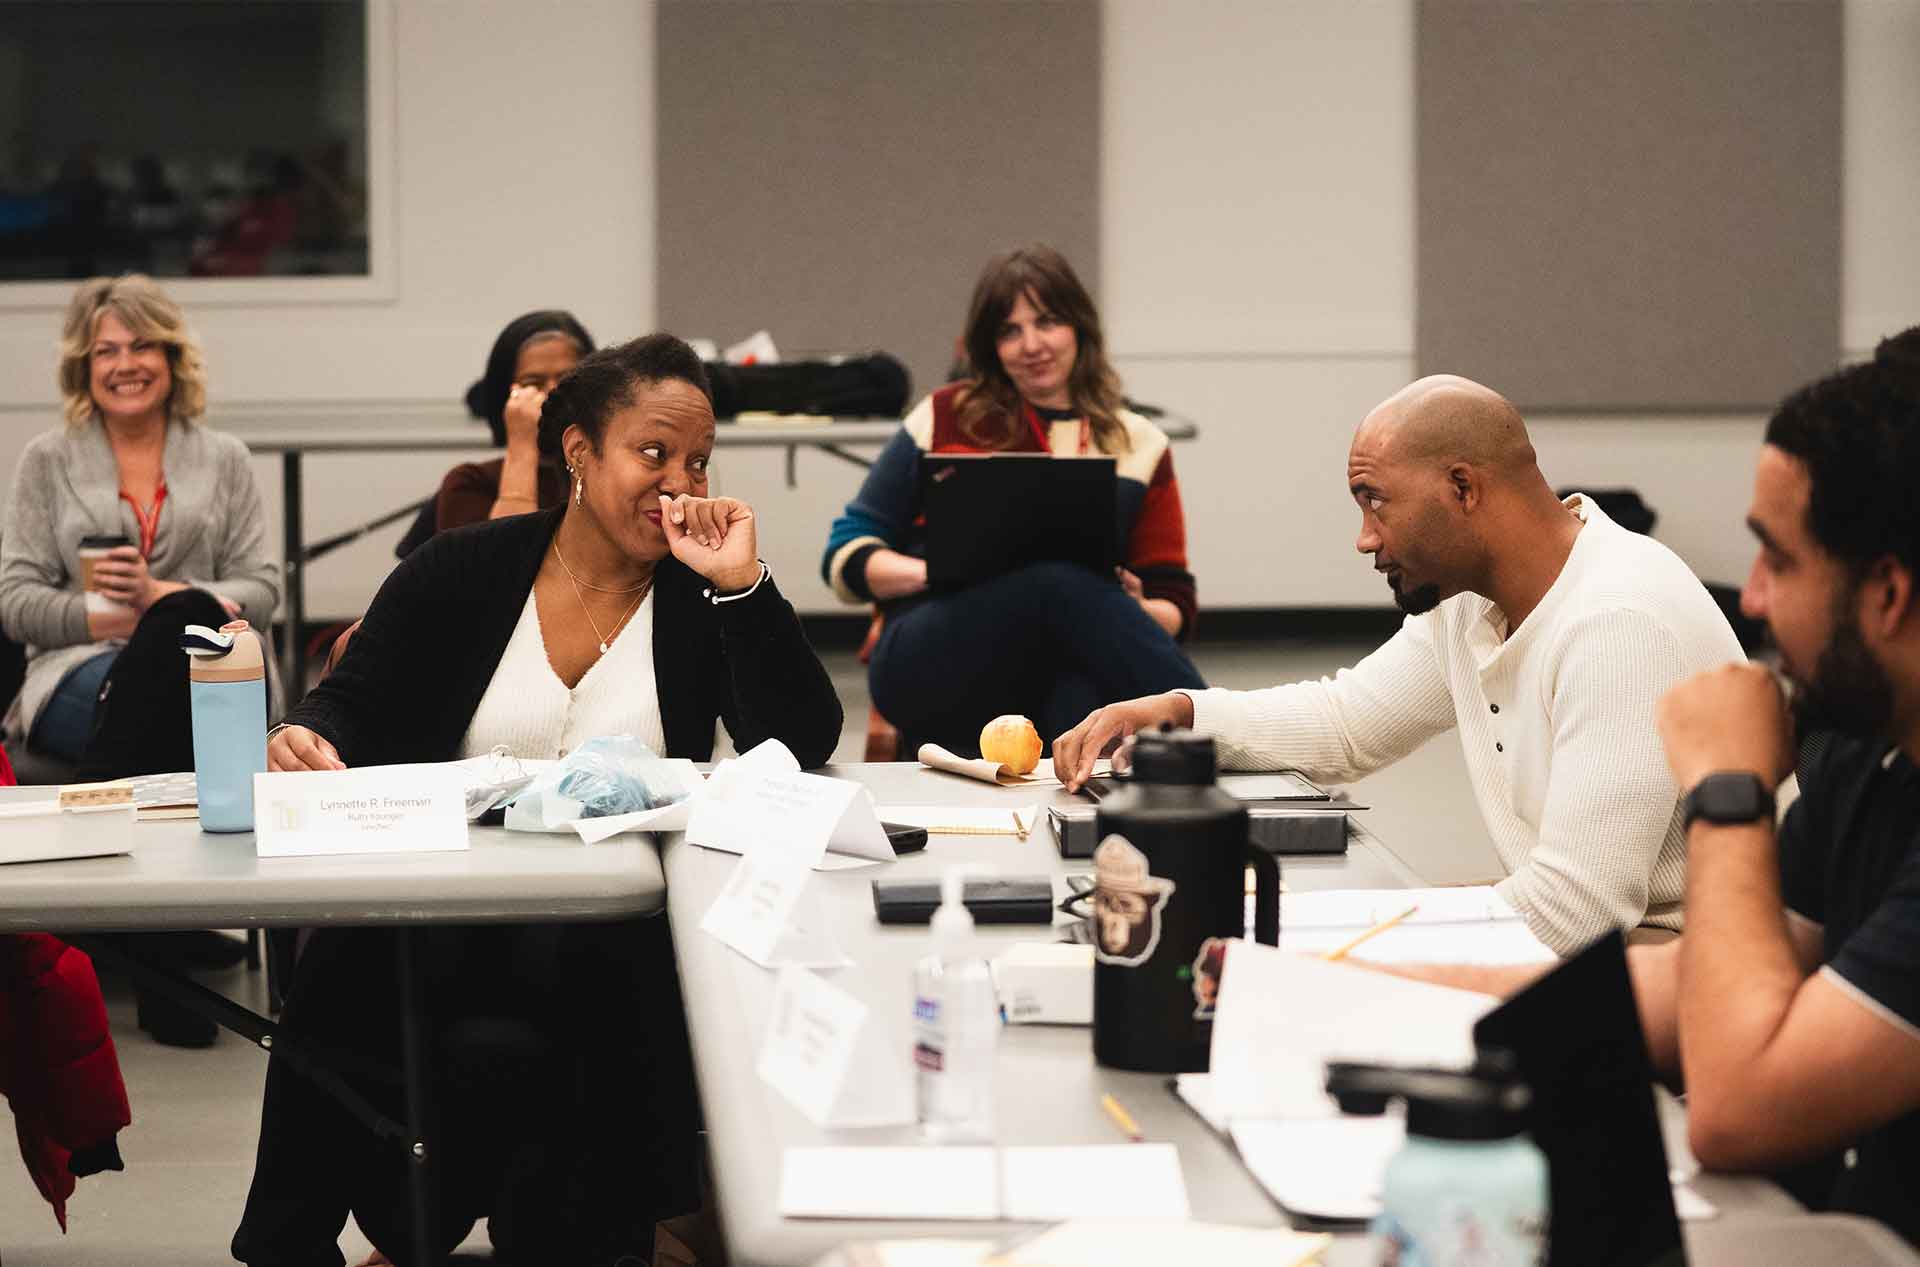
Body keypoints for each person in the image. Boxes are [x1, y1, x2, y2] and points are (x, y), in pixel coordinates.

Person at [232, 333, 843, 1267]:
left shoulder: (696, 596)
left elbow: (800, 740)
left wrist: (744, 589)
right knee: (345, 976)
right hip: (442, 919)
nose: (678, 482)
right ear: (578, 453)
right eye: (652, 453)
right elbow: (348, 703)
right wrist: (303, 733)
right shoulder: (461, 571)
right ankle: (292, 1245)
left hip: (611, 938)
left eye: (698, 461)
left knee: (577, 1021)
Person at [1374, 331, 1920, 1244]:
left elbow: (1737, 1103)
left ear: (1889, 595)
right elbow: (1693, 984)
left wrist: (1731, 788)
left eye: (1778, 561)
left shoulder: (1797, 738)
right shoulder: (1866, 755)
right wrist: (1355, 993)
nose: (1750, 600)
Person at [1056, 375, 1744, 954]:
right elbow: (1345, 723)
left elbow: (1573, 914)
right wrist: (1182, 709)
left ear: (1463, 489)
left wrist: (1330, 934)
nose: (1364, 539)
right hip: (1582, 960)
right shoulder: (1472, 603)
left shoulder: (1617, 620)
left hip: (1675, 988)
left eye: (1375, 501)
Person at [0, 274, 280, 1047]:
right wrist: (107, 613)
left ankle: (113, 920)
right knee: (177, 642)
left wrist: (162, 596)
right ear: (84, 367)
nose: (126, 362)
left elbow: (263, 590)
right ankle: (169, 951)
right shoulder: (48, 459)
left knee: (184, 624)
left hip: (207, 669)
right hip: (78, 673)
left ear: (171, 355)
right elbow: (15, 600)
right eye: (106, 349)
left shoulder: (223, 457)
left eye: (142, 344)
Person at [821, 244, 1203, 754]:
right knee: (1055, 582)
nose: (1031, 344)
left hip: (1058, 669)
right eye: (1010, 330)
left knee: (1078, 695)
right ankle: (1219, 732)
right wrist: (941, 572)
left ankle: (1082, 818)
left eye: (1047, 322)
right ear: (990, 346)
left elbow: (1174, 603)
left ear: (1079, 328)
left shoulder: (1140, 442)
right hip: (931, 660)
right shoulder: (944, 415)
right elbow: (846, 553)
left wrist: (1125, 607)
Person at [391, 310, 592, 560]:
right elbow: (501, 572)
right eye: (532, 383)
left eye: (567, 380)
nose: (553, 394)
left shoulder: (605, 475)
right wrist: (521, 446)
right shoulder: (472, 482)